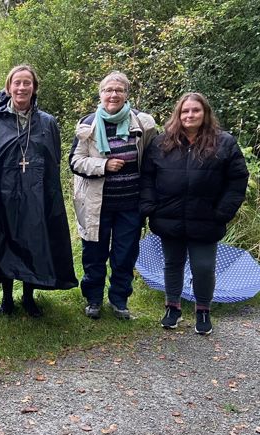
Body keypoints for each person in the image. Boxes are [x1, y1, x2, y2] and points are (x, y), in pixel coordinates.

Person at [0, 65, 77, 317]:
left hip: (36, 195)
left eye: (27, 83)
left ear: (34, 88)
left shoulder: (46, 123)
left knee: (33, 242)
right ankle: (6, 298)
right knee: (4, 241)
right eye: (17, 83)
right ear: (9, 88)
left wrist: (47, 195)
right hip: (3, 194)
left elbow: (53, 162)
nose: (22, 88)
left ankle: (28, 297)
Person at [140, 92, 249, 335]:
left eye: (196, 110)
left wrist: (222, 211)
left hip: (206, 219)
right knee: (172, 264)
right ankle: (172, 308)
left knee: (203, 266)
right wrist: (150, 207)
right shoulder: (161, 143)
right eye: (185, 111)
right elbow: (147, 177)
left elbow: (238, 179)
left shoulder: (224, 143)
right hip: (168, 217)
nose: (190, 115)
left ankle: (203, 310)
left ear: (205, 113)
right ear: (178, 114)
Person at [69, 71, 157, 320]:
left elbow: (152, 161)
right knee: (94, 254)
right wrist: (104, 165)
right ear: (101, 94)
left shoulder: (143, 123)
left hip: (131, 204)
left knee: (124, 255)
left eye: (119, 90)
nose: (113, 95)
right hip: (96, 205)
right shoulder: (88, 124)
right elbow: (75, 161)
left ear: (127, 94)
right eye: (108, 90)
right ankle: (93, 299)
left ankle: (119, 301)